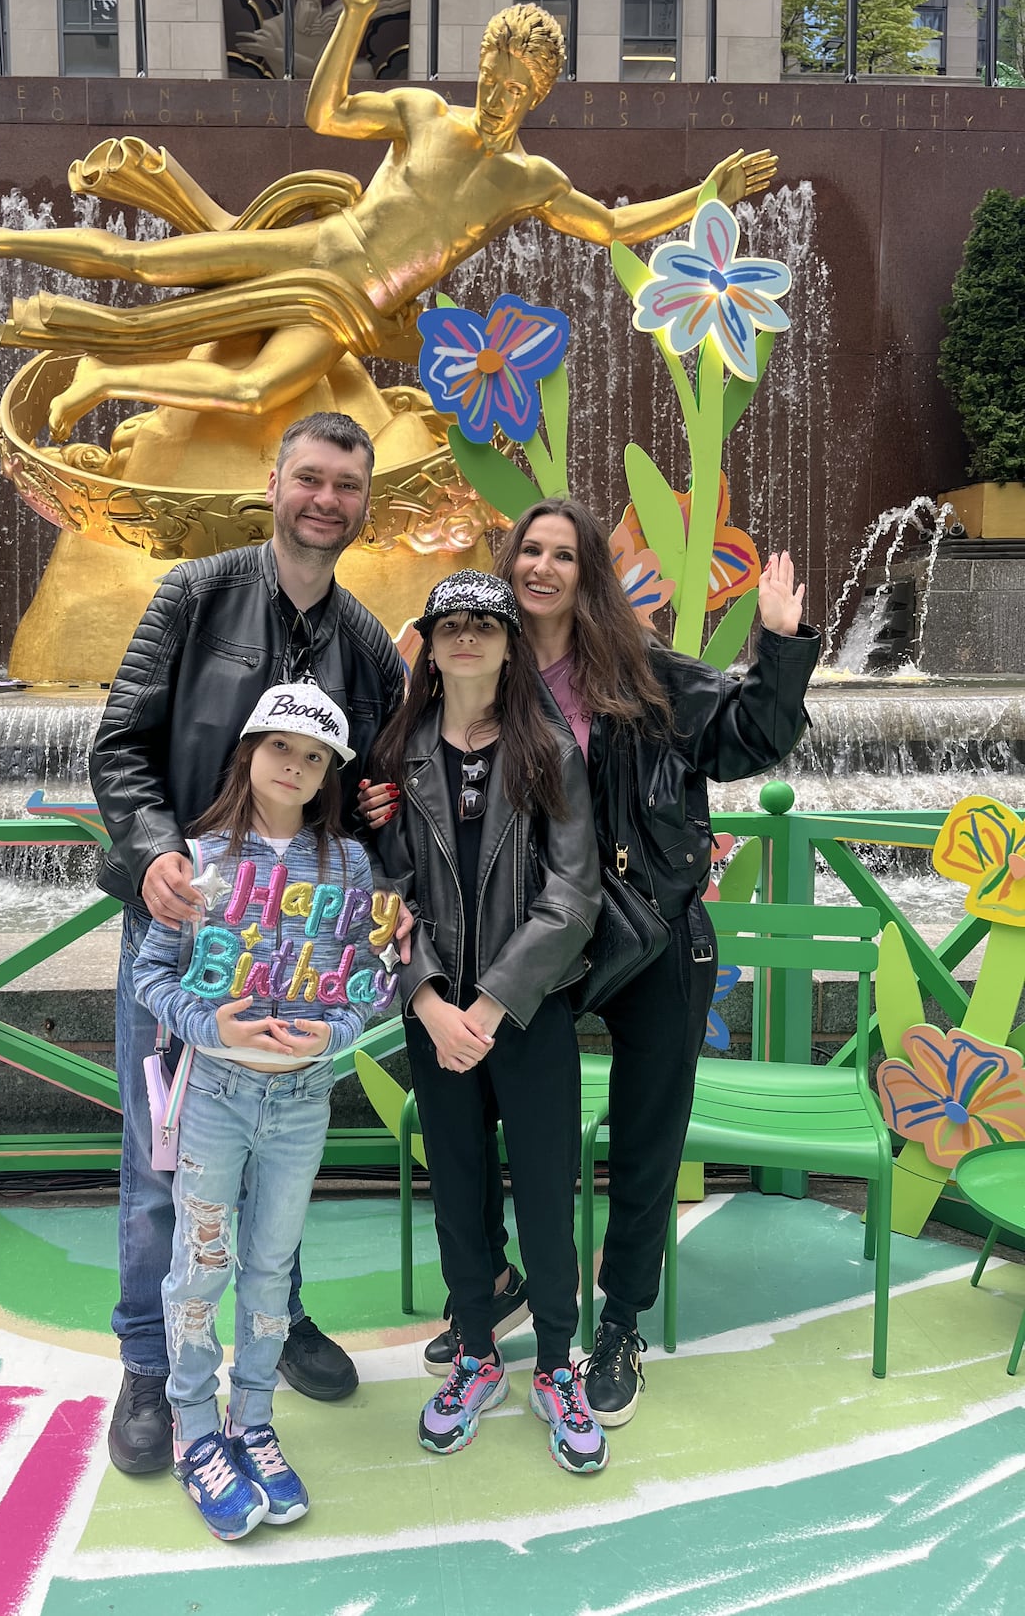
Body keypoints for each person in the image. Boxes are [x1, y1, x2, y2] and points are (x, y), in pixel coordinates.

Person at [0, 0, 776, 442]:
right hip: (316, 247)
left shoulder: (529, 180)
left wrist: (706, 195)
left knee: (254, 389)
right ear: (480, 67)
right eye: (493, 79)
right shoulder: (423, 113)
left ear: (540, 95)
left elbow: (615, 228)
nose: (500, 98)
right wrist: (357, 9)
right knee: (144, 262)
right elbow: (325, 113)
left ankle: (105, 376)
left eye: (519, 91)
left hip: (353, 308)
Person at [364, 501, 819, 1429]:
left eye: (563, 554)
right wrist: (383, 799)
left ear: (588, 573)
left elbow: (749, 735)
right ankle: (493, 1287)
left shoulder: (638, 669)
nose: (542, 566)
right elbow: (429, 779)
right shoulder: (481, 663)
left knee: (647, 1133)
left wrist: (779, 645)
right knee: (477, 1108)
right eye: (529, 550)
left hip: (647, 930)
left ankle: (619, 1323)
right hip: (538, 942)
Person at [88, 410, 407, 1477]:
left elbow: (379, 790)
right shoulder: (194, 594)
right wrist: (153, 856)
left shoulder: (367, 644)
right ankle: (149, 1362)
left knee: (278, 1145)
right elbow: (122, 743)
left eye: (346, 486)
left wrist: (383, 840)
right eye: (309, 478)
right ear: (273, 484)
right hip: (183, 930)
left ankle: (281, 1314)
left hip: (296, 951)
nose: (325, 500)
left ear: (364, 504)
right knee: (162, 1155)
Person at [133, 682, 389, 1541]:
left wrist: (336, 1034)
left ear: (328, 775)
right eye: (281, 746)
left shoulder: (349, 865)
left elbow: (373, 978)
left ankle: (253, 1420)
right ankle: (193, 1426)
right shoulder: (198, 859)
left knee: (273, 1265)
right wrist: (213, 1025)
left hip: (303, 1098)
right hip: (216, 1093)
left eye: (314, 757)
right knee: (200, 1261)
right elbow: (150, 975)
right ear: (249, 752)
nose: (295, 765)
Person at [373, 570, 609, 1476]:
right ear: (429, 647)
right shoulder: (397, 755)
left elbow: (573, 893)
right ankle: (476, 1353)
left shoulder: (548, 750)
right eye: (450, 625)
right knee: (459, 1189)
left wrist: (493, 1002)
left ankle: (555, 1362)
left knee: (547, 1189)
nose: (466, 636)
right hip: (436, 1018)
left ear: (512, 646)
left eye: (485, 624)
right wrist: (429, 1000)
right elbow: (382, 888)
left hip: (528, 1011)